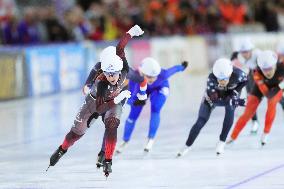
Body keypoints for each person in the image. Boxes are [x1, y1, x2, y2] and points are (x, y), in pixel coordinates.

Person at [47, 25, 144, 177]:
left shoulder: (125, 69)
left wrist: (130, 33)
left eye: (113, 74)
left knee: (112, 124)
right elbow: (99, 108)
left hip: (113, 101)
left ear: (120, 69)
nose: (111, 77)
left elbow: (120, 48)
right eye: (107, 73)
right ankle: (62, 149)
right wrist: (88, 87)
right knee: (76, 134)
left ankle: (108, 159)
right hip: (95, 102)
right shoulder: (101, 79)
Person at [115, 57, 188, 154]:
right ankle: (125, 140)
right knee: (133, 116)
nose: (152, 79)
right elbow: (129, 97)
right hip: (142, 89)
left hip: (159, 88)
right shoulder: (135, 77)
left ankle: (151, 139)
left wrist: (182, 67)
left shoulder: (163, 74)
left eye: (155, 76)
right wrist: (134, 102)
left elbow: (174, 69)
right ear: (142, 73)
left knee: (156, 108)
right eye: (149, 77)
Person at [177, 58, 247, 157]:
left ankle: (222, 142)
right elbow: (215, 100)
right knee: (201, 121)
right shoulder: (211, 78)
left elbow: (245, 80)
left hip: (231, 94)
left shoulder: (239, 74)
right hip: (213, 97)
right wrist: (236, 101)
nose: (222, 81)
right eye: (219, 79)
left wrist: (236, 92)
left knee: (230, 110)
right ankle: (187, 145)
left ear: (230, 74)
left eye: (224, 79)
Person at [228, 50, 284, 146]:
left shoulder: (282, 67)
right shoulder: (257, 72)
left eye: (269, 68)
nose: (267, 72)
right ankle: (233, 136)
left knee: (272, 103)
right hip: (261, 88)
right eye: (264, 69)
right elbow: (267, 93)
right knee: (248, 113)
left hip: (277, 86)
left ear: (275, 65)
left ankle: (266, 133)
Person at [231, 37, 261, 134]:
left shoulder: (258, 55)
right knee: (250, 99)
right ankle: (255, 122)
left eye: (247, 52)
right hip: (251, 74)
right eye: (243, 52)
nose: (245, 54)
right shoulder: (238, 56)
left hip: (264, 74)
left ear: (251, 50)